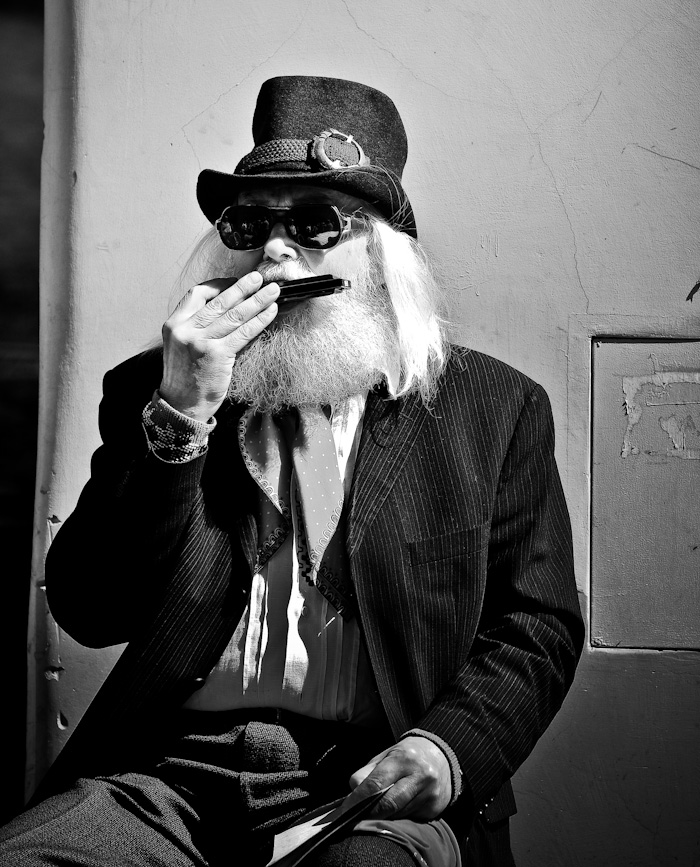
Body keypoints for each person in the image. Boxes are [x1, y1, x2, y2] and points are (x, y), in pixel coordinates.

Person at [1, 76, 583, 867]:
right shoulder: (155, 393)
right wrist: (180, 417)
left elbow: (536, 624)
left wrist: (446, 749)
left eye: (313, 222)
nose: (274, 249)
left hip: (364, 787)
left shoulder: (493, 410)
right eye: (250, 222)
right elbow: (90, 608)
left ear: (379, 254)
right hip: (169, 778)